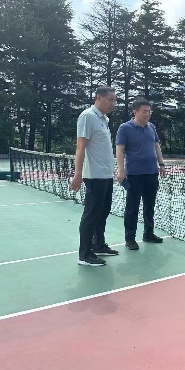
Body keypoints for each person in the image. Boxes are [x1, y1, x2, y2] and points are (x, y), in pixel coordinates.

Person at [70, 86, 119, 267]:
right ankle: (85, 254)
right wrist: (77, 174)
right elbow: (80, 147)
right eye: (110, 100)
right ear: (99, 97)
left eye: (115, 101)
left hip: (106, 175)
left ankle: (98, 244)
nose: (113, 104)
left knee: (103, 212)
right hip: (94, 176)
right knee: (91, 215)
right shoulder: (87, 116)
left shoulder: (104, 119)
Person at [116, 98, 167, 250]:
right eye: (144, 111)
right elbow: (120, 150)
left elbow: (156, 146)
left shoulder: (151, 127)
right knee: (132, 207)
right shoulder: (125, 128)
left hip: (152, 173)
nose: (148, 114)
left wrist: (161, 164)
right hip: (134, 175)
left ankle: (148, 233)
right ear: (135, 112)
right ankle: (130, 238)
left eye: (149, 111)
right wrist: (121, 170)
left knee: (150, 206)